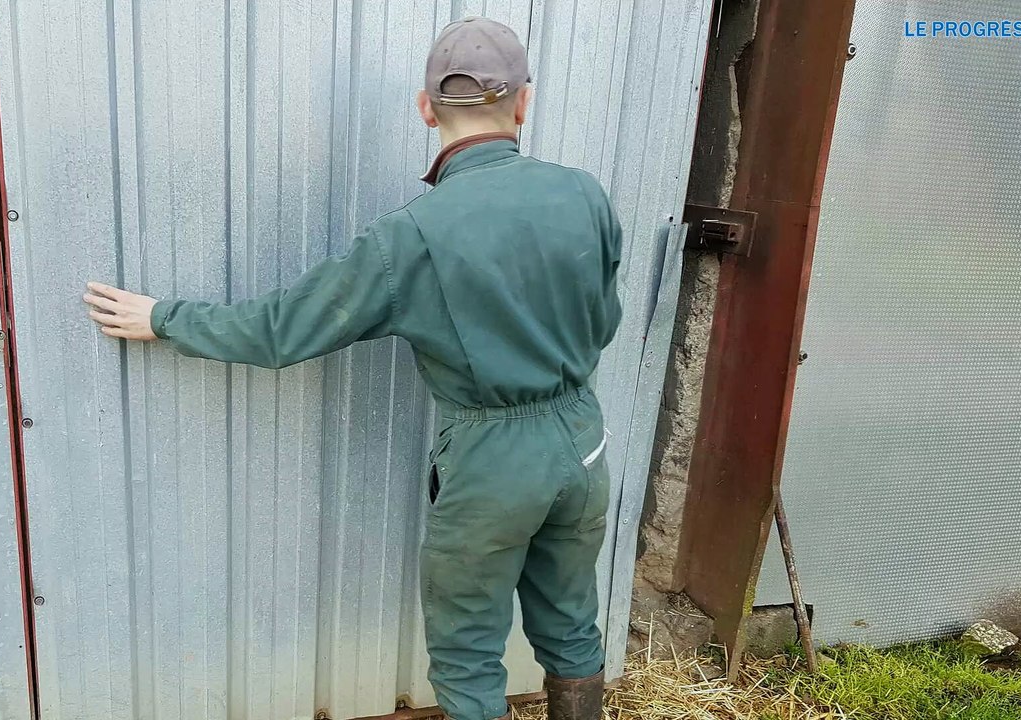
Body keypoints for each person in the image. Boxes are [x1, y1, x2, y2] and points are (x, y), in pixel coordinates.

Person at [84, 17, 621, 720]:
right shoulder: (584, 194)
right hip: (583, 443)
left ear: (427, 108)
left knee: (467, 654)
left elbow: (282, 331)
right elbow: (604, 322)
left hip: (493, 462)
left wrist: (162, 317)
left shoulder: (412, 235)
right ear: (524, 102)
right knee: (572, 623)